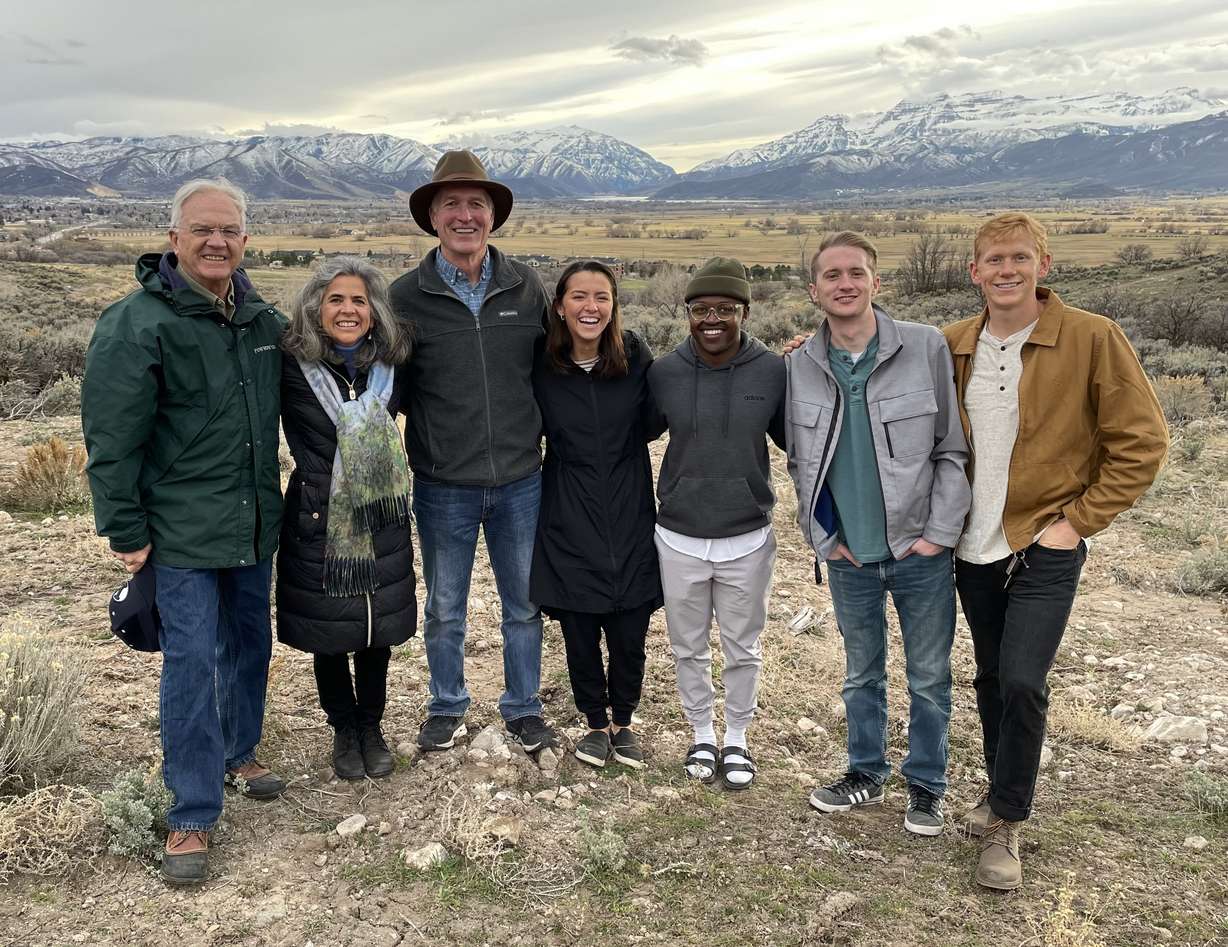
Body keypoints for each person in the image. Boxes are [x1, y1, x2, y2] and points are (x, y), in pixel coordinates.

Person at [945, 212, 1167, 889]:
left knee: (1021, 679)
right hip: (971, 545)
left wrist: (1075, 523)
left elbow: (1142, 442)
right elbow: (878, 373)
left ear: (1044, 265)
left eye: (1020, 257)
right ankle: (998, 792)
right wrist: (810, 350)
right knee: (990, 677)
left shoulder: (1092, 337)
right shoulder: (952, 343)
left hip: (1044, 544)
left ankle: (1006, 824)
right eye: (994, 259)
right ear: (974, 271)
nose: (1006, 270)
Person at [82, 178, 287, 885]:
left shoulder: (260, 321)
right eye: (202, 229)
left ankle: (238, 750)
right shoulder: (137, 323)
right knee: (191, 661)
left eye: (229, 230)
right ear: (174, 238)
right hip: (178, 531)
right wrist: (123, 528)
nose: (216, 242)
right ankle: (192, 812)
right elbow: (111, 437)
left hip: (252, 521)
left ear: (245, 240)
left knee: (250, 644)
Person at [785, 231, 970, 836]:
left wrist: (938, 534)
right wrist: (822, 538)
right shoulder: (799, 365)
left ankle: (927, 785)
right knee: (861, 674)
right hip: (849, 554)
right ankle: (865, 772)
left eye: (856, 273)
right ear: (814, 290)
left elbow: (951, 448)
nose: (845, 284)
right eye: (832, 275)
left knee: (929, 677)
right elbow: (799, 462)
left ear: (875, 282)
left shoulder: (925, 346)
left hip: (920, 550)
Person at [389, 151, 556, 753]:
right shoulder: (404, 297)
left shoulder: (526, 287)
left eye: (476, 205)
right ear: (433, 218)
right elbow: (388, 388)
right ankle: (446, 704)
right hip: (442, 483)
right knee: (444, 607)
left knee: (524, 604)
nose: (465, 215)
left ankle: (524, 706)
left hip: (520, 478)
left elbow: (558, 367)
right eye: (452, 205)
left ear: (492, 216)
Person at [277, 257, 417, 782]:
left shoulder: (393, 366)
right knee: (330, 629)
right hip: (320, 513)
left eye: (359, 300)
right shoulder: (292, 364)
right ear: (316, 308)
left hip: (381, 512)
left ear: (374, 311)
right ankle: (343, 728)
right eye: (336, 299)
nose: (348, 309)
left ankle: (371, 726)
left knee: (376, 628)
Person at [648, 257, 786, 790]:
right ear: (686, 313)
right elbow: (628, 433)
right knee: (687, 646)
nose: (712, 319)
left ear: (745, 312)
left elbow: (800, 440)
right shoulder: (665, 373)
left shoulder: (773, 371)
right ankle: (702, 733)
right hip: (678, 534)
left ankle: (738, 738)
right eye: (700, 309)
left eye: (725, 309)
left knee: (742, 647)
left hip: (747, 535)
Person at [530, 260, 664, 769]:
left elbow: (662, 412)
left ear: (614, 306)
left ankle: (623, 721)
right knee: (579, 626)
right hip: (567, 506)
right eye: (579, 297)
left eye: (602, 297)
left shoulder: (635, 357)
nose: (591, 307)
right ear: (560, 307)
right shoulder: (540, 364)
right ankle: (593, 722)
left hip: (630, 506)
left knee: (631, 628)